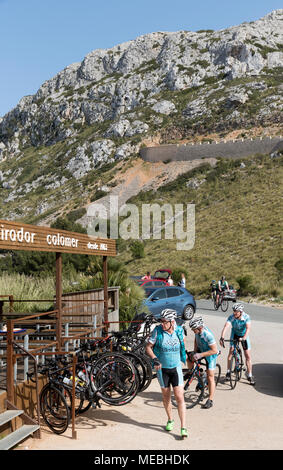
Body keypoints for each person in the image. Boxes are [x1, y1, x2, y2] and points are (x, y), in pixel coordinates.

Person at [145, 309, 188, 438]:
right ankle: (170, 419)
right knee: (166, 396)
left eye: (165, 322)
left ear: (172, 321)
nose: (162, 324)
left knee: (180, 397)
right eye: (161, 321)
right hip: (162, 369)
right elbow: (148, 347)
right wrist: (154, 358)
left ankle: (183, 427)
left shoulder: (179, 331)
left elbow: (183, 347)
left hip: (176, 368)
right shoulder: (157, 331)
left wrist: (187, 358)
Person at [219, 303, 255, 385]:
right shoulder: (231, 317)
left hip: (243, 335)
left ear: (241, 312)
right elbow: (226, 326)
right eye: (234, 311)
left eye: (236, 312)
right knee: (231, 352)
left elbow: (248, 329)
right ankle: (228, 372)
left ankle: (250, 375)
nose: (234, 313)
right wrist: (222, 337)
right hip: (234, 334)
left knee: (247, 355)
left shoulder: (246, 317)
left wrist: (244, 338)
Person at [187, 316, 218, 409]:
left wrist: (200, 355)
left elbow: (214, 350)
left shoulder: (208, 335)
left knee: (210, 376)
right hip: (201, 349)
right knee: (189, 358)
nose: (193, 331)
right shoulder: (198, 331)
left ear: (199, 328)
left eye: (193, 329)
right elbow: (196, 339)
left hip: (210, 354)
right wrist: (195, 351)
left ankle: (210, 400)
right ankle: (192, 372)